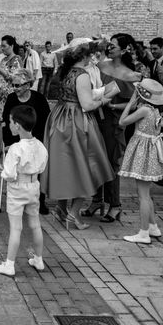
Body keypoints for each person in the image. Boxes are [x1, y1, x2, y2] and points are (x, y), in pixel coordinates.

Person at [40, 39, 114, 230]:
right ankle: (73, 215)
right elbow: (87, 105)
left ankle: (61, 209)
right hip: (77, 123)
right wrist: (104, 99)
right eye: (92, 54)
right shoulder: (81, 75)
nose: (94, 57)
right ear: (85, 56)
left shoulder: (67, 72)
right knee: (85, 167)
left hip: (60, 118)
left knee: (66, 167)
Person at [81, 33, 141, 223]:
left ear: (124, 50)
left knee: (111, 163)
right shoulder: (100, 66)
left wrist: (112, 105)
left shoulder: (131, 75)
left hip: (113, 122)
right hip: (95, 119)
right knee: (94, 161)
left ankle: (115, 205)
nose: (109, 48)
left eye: (113, 46)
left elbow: (134, 104)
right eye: (109, 45)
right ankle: (97, 200)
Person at [0, 105, 48, 277]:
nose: (8, 124)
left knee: (16, 228)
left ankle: (9, 264)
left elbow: (9, 174)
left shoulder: (15, 149)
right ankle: (39, 259)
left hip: (17, 188)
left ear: (17, 125)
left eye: (10, 121)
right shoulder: (40, 145)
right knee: (35, 224)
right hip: (34, 186)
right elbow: (42, 166)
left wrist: (3, 170)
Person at [117, 79, 163, 244]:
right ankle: (152, 226)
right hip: (149, 154)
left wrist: (130, 101)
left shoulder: (144, 109)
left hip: (142, 153)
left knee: (143, 195)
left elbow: (122, 121)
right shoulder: (155, 111)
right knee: (147, 193)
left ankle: (143, 233)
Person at [1, 69, 51, 214]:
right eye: (14, 85)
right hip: (15, 140)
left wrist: (35, 142)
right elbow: (6, 122)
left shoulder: (39, 99)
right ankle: (19, 199)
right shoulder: (11, 99)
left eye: (18, 85)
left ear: (28, 85)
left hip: (36, 139)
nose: (15, 88)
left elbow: (45, 122)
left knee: (37, 169)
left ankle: (39, 201)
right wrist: (8, 143)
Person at [0, 35, 22, 159]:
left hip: (11, 95)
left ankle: (11, 147)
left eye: (4, 46)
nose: (2, 49)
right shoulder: (3, 60)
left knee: (11, 122)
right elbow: (0, 77)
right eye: (1, 46)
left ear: (12, 45)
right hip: (1, 95)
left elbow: (13, 77)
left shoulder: (17, 59)